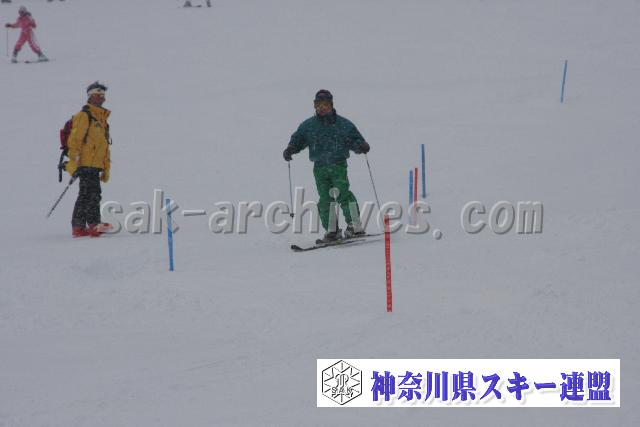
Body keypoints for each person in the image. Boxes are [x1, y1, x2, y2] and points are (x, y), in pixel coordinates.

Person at [283, 89, 371, 243]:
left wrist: (361, 146)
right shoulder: (309, 126)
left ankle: (355, 226)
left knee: (343, 194)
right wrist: (291, 148)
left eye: (324, 104)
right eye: (318, 104)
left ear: (331, 105)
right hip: (320, 168)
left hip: (338, 166)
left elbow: (354, 139)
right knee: (325, 199)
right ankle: (332, 230)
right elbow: (298, 139)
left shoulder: (343, 125)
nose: (321, 108)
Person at [64, 82, 112, 238]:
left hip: (95, 165)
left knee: (91, 193)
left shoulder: (102, 119)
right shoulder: (84, 116)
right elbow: (74, 142)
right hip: (84, 164)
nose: (100, 98)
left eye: (102, 95)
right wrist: (74, 163)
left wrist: (106, 168)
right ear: (90, 96)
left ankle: (80, 226)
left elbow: (104, 146)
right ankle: (92, 224)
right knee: (90, 194)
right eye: (97, 95)